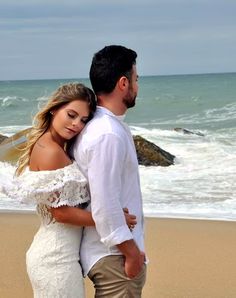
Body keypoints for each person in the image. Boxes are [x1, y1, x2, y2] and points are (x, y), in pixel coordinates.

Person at [1, 82, 137, 298]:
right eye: (71, 115)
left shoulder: (54, 145)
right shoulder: (50, 152)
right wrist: (114, 219)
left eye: (83, 120)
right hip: (55, 259)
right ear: (55, 108)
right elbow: (61, 213)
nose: (76, 124)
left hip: (57, 254)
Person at [72, 45, 147, 297]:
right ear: (123, 83)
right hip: (113, 255)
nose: (138, 85)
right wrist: (131, 252)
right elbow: (104, 204)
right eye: (136, 79)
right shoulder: (107, 134)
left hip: (112, 253)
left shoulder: (105, 127)